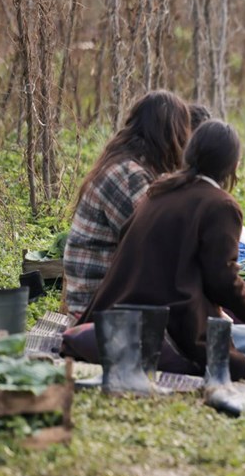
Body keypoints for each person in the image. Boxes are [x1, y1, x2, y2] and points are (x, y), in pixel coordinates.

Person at [77, 120, 245, 380]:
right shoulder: (220, 205)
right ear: (233, 165)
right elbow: (221, 280)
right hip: (171, 327)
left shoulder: (159, 192)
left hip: (117, 314)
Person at [63, 90, 192, 316]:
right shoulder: (127, 176)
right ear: (170, 134)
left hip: (103, 302)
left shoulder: (132, 167)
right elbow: (158, 247)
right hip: (97, 312)